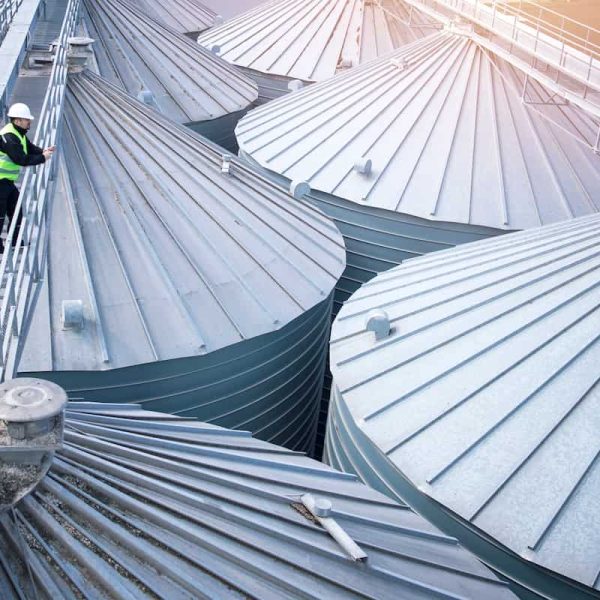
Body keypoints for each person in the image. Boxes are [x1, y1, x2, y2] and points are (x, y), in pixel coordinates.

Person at [0, 103, 55, 251]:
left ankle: (16, 242)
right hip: (1, 182)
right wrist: (43, 158)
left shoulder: (18, 134)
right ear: (17, 121)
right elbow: (21, 159)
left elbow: (29, 148)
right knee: (0, 214)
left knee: (16, 210)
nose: (29, 122)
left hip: (7, 181)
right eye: (26, 120)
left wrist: (43, 151)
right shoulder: (9, 137)